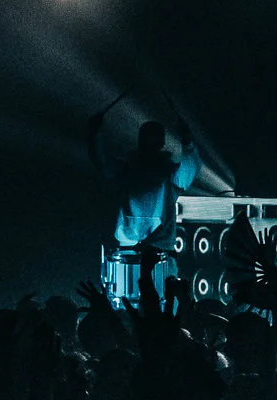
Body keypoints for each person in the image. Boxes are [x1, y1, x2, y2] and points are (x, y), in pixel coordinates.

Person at [86, 101, 224, 307]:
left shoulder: (156, 172)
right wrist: (188, 141)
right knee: (159, 311)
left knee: (138, 310)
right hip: (144, 254)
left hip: (143, 253)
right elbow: (193, 163)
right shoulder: (163, 173)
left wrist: (94, 134)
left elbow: (101, 160)